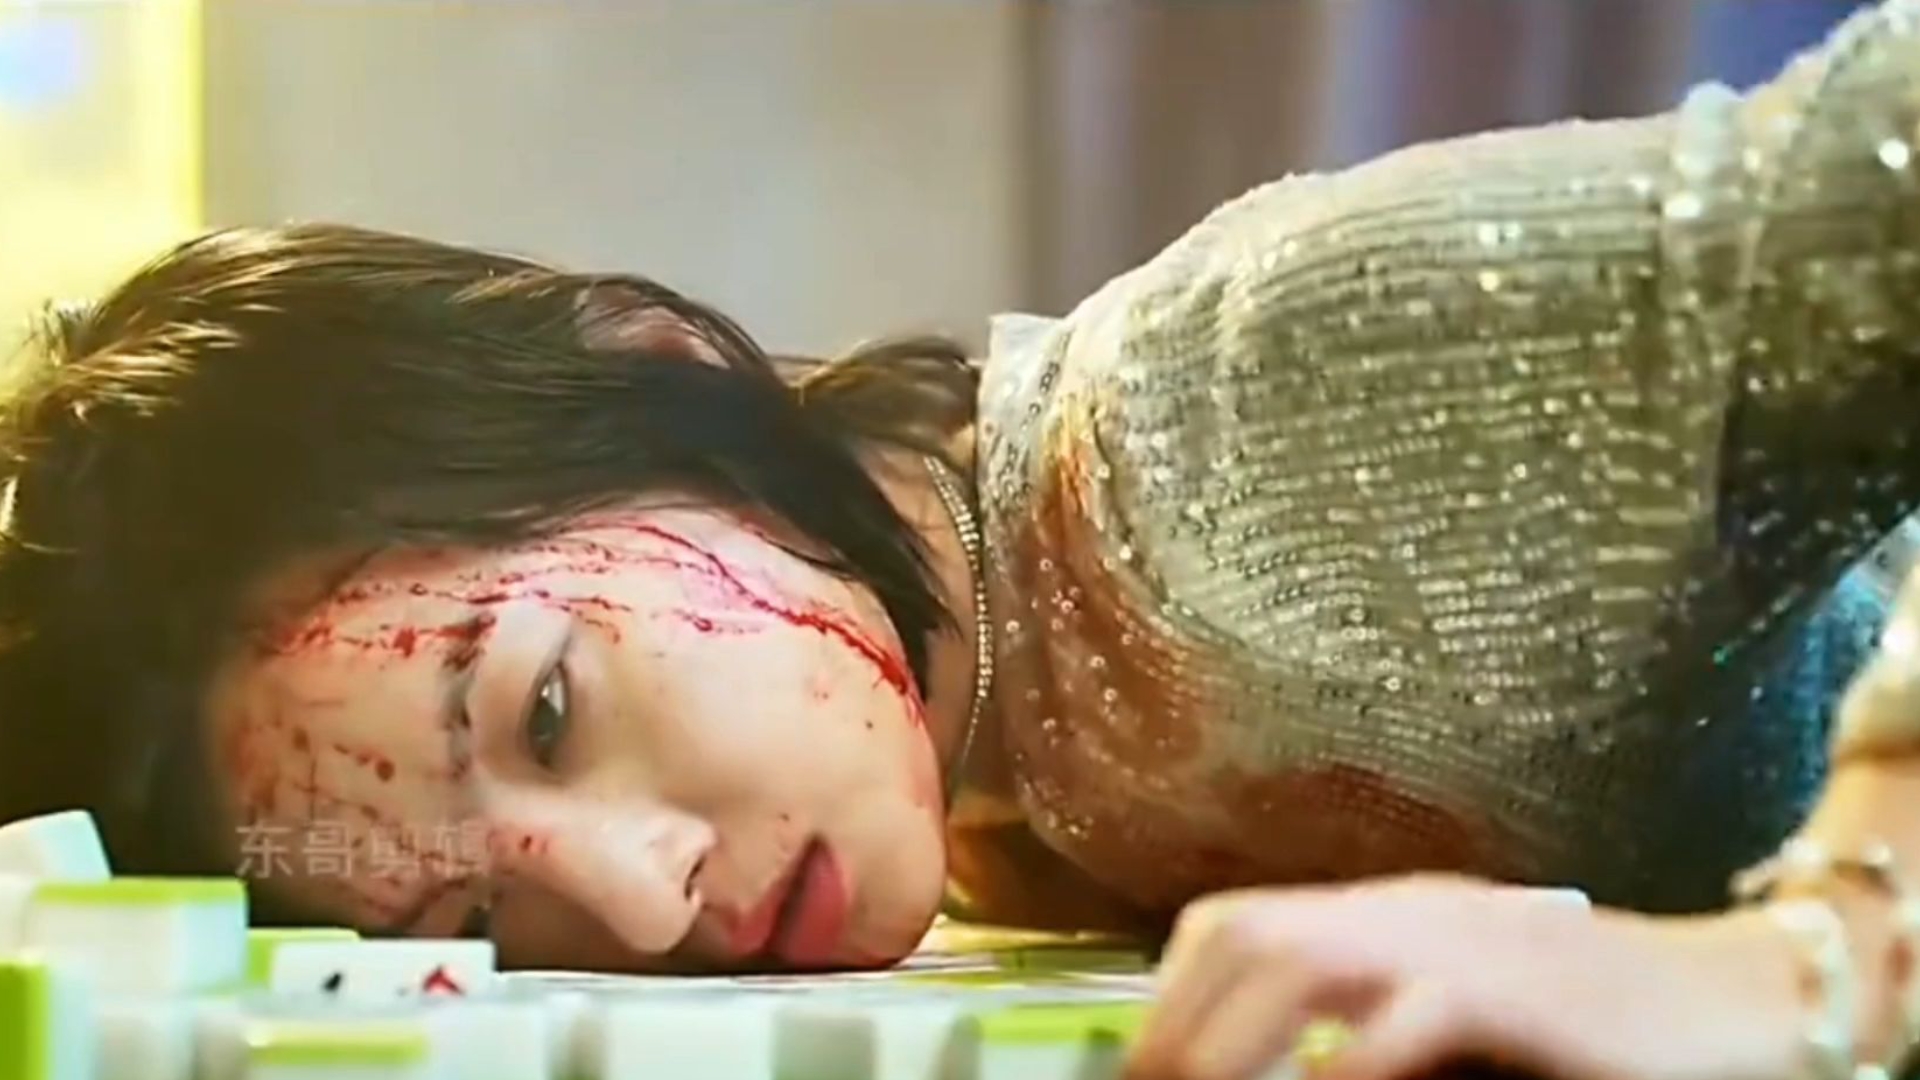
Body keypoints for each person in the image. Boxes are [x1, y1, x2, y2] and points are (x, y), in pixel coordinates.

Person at [10, 0, 1920, 1076]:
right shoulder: (986, 806)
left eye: (549, 711)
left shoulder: (1244, 406)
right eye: (478, 915)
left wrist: (1819, 954)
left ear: (659, 363)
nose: (640, 906)